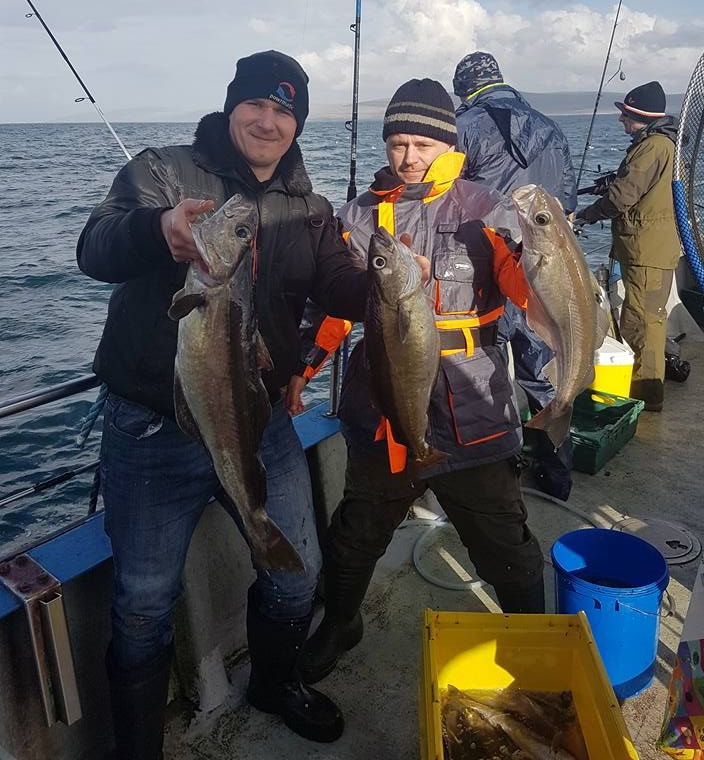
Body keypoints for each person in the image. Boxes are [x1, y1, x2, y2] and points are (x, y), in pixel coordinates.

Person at [76, 51, 369, 758]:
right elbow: (94, 247)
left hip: (258, 422)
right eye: (256, 105)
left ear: (298, 123)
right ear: (232, 106)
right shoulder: (163, 171)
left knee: (295, 575)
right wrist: (158, 231)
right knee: (143, 605)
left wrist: (395, 288)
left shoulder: (309, 207)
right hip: (152, 430)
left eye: (284, 110)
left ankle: (274, 682)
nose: (268, 121)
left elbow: (338, 284)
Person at [293, 79, 545, 686]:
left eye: (423, 144)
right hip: (383, 403)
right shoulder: (356, 216)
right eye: (398, 143)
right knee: (356, 531)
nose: (408, 157)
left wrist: (535, 251)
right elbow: (333, 309)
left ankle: (534, 639)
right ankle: (342, 622)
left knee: (503, 539)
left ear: (449, 145)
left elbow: (529, 295)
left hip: (473, 407)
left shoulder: (487, 206)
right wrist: (302, 370)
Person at [452, 51, 577, 500]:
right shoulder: (552, 128)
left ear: (464, 89)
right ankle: (557, 472)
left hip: (486, 266)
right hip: (541, 275)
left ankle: (494, 469)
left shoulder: (464, 126)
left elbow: (445, 198)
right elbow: (566, 206)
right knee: (541, 368)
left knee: (484, 368)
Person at [575, 81, 681, 412]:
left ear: (642, 117)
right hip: (649, 248)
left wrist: (586, 215)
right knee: (646, 319)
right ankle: (644, 388)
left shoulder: (652, 147)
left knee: (643, 323)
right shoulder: (659, 144)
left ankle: (646, 396)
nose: (622, 120)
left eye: (627, 115)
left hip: (645, 251)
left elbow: (623, 197)